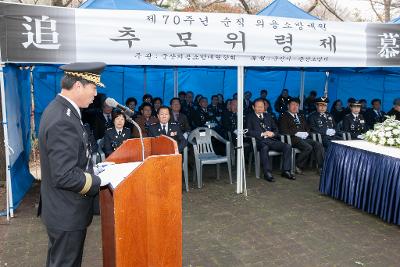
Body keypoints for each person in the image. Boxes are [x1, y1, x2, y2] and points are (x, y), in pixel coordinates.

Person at [38, 62, 109, 267]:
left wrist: (94, 168)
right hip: (66, 211)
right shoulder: (63, 119)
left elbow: (71, 158)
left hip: (62, 209)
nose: (95, 94)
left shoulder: (62, 110)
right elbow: (64, 175)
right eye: (93, 88)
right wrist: (99, 180)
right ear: (78, 86)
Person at [247, 98, 295, 181]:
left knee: (287, 146)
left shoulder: (268, 116)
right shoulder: (249, 117)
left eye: (261, 106)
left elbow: (276, 129)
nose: (260, 108)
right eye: (257, 107)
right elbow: (248, 131)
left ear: (264, 107)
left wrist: (273, 133)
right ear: (253, 107)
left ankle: (286, 171)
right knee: (264, 147)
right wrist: (262, 134)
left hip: (271, 141)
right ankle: (267, 173)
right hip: (259, 142)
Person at [279, 98, 325, 174]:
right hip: (292, 138)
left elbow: (308, 127)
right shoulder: (284, 116)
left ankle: (321, 167)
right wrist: (296, 133)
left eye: (297, 105)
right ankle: (297, 166)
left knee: (318, 144)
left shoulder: (301, 116)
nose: (295, 107)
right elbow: (283, 130)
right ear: (288, 106)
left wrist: (306, 133)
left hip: (303, 138)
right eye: (293, 105)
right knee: (308, 147)